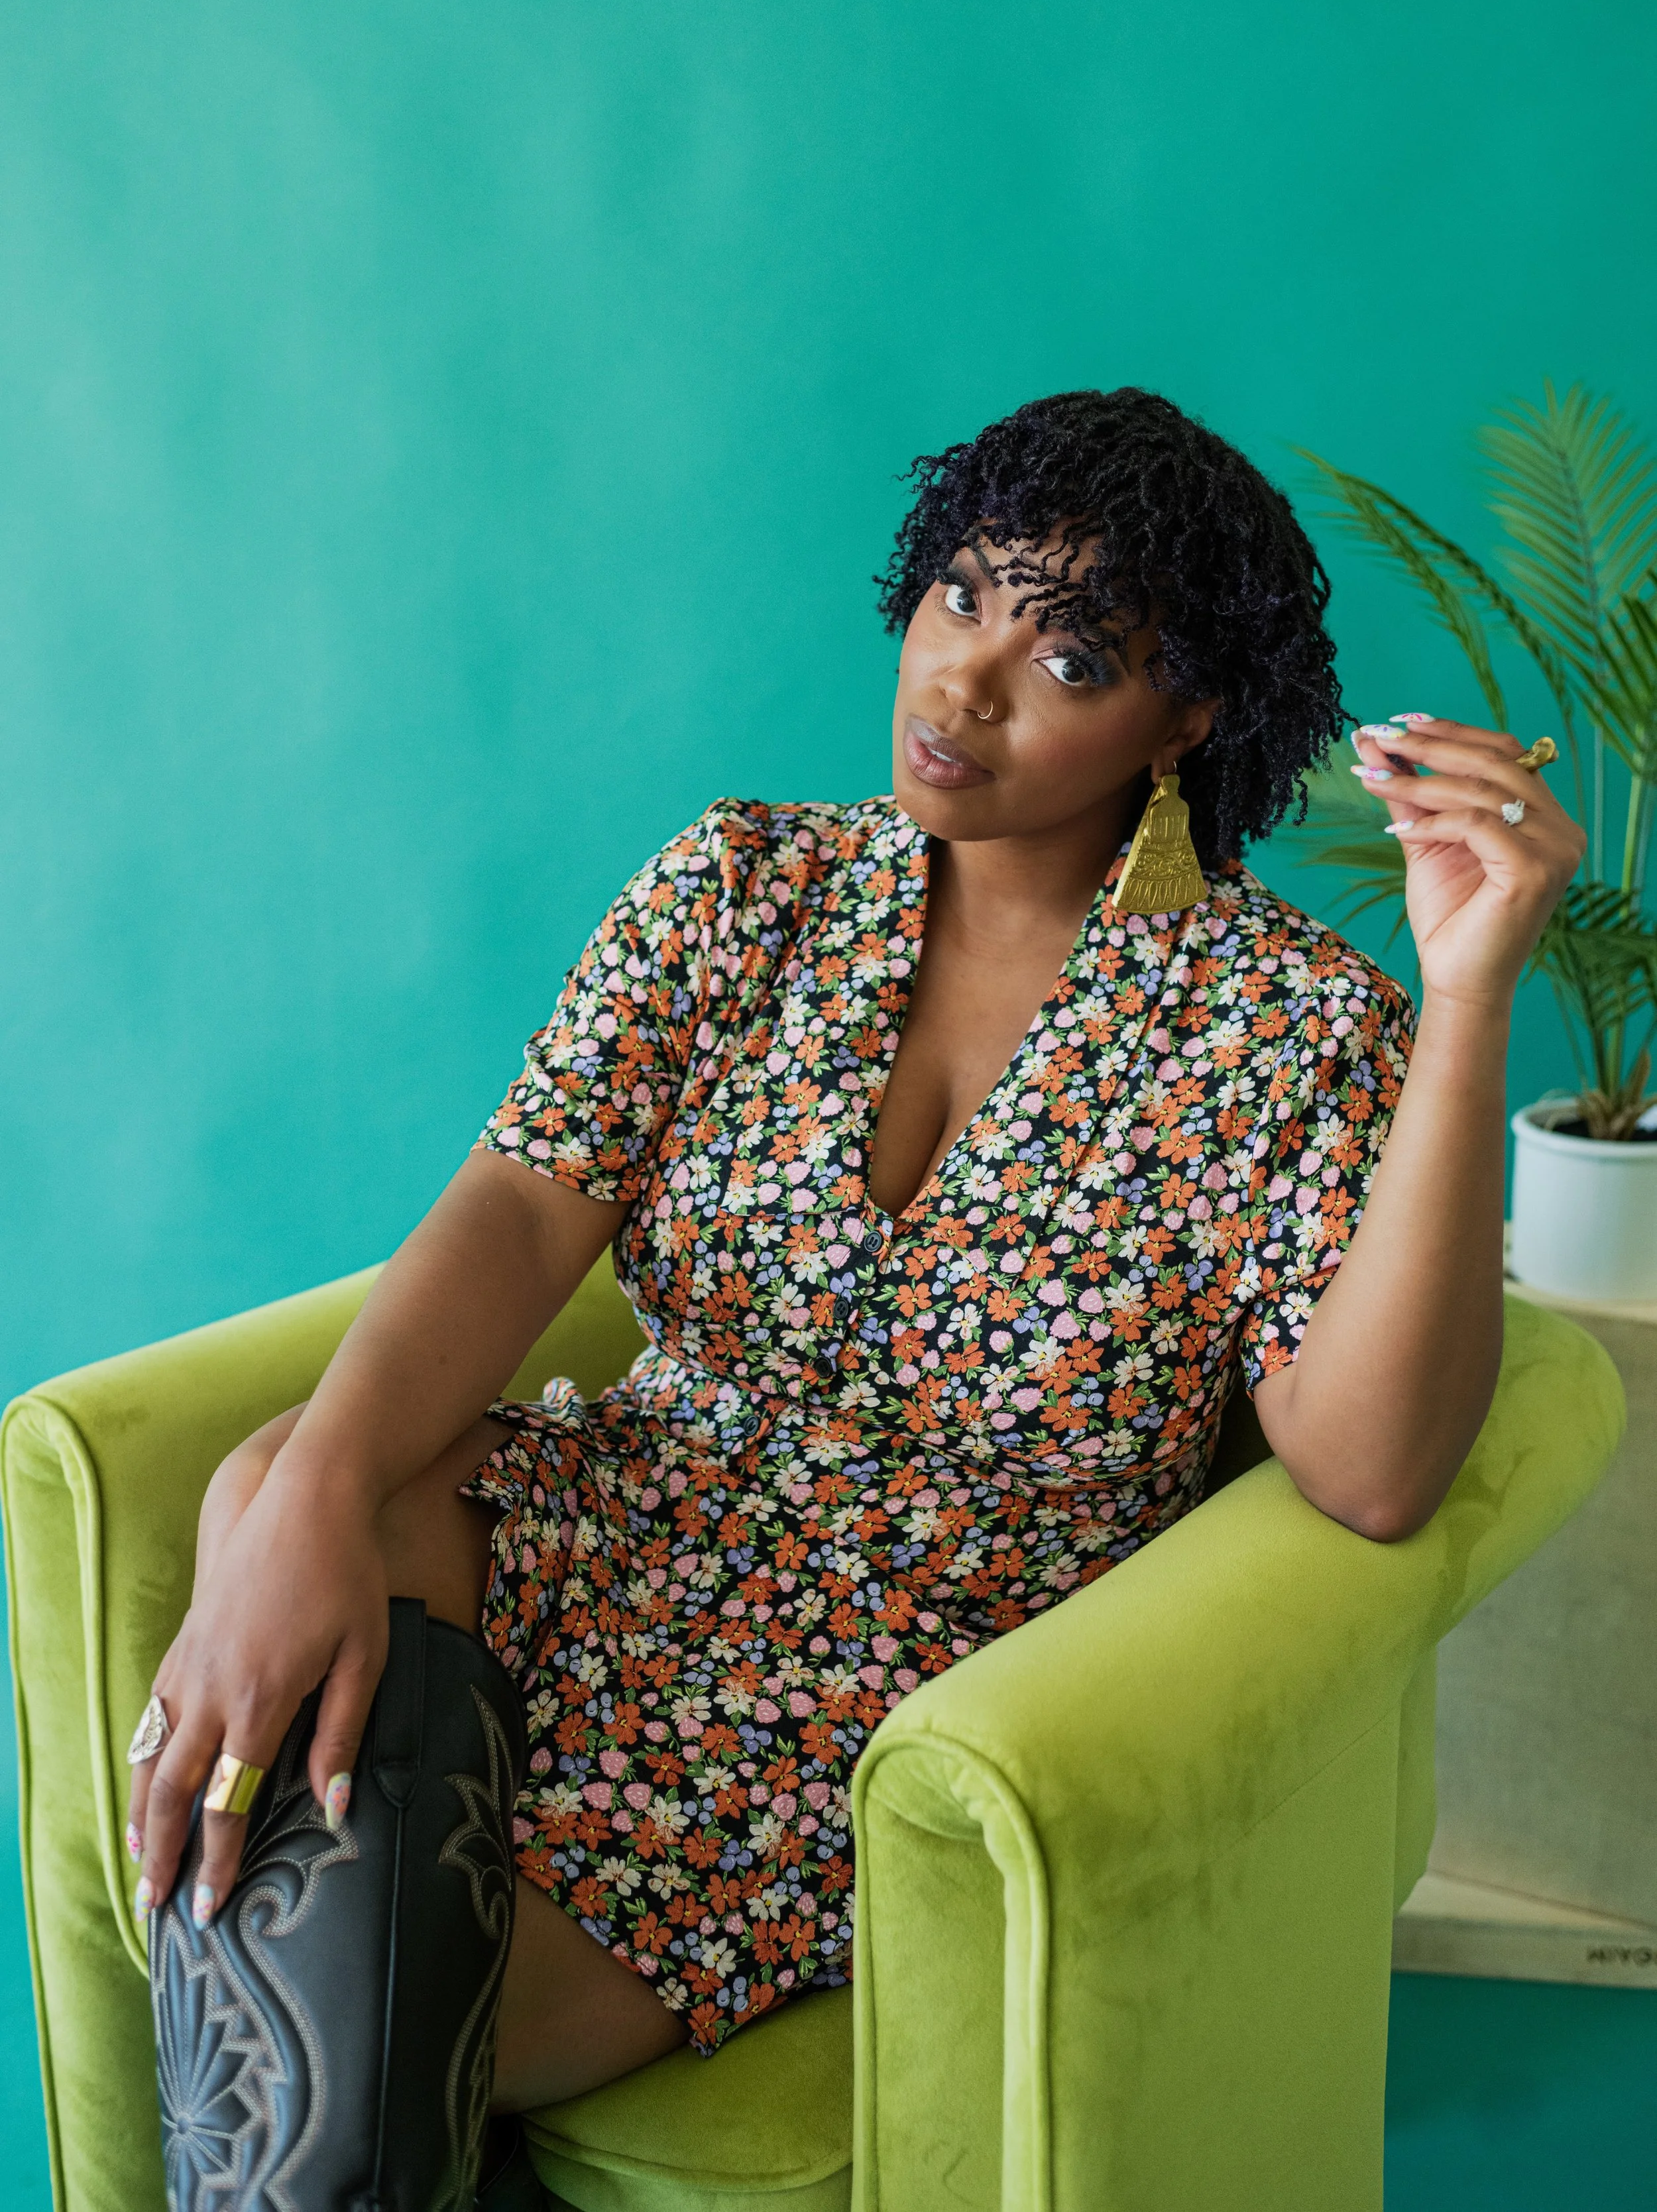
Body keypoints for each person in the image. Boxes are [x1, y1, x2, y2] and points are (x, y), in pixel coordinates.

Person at [126, 388, 1583, 2195]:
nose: (964, 682)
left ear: (1184, 717)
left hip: (910, 1659)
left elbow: (1367, 1472)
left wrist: (1463, 999)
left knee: (373, 2020)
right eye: (959, 596)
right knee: (281, 1477)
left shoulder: (1280, 1029)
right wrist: (321, 1498)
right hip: (636, 1515)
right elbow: (516, 1213)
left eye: (1065, 656)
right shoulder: (742, 884)